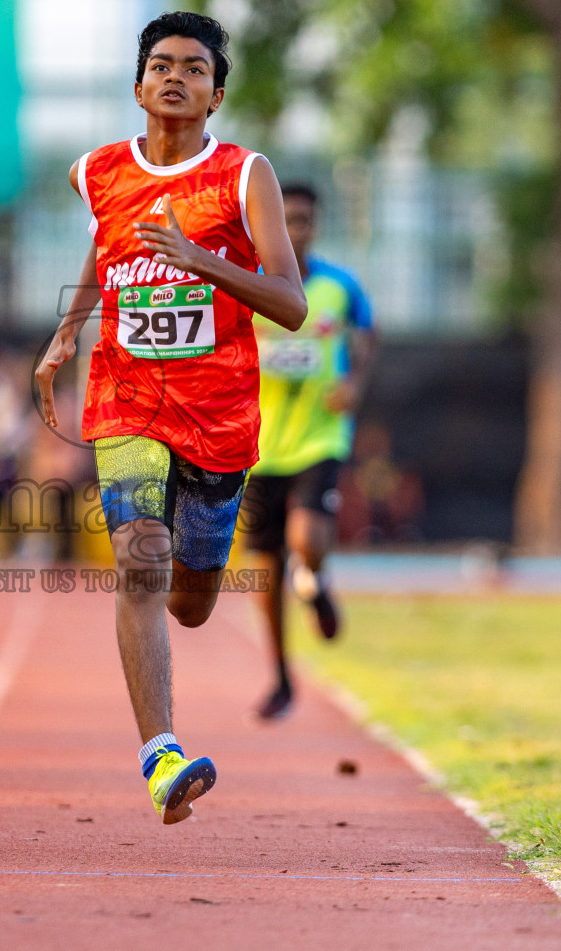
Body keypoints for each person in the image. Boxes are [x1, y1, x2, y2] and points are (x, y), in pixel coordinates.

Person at [35, 12, 306, 824]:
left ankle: (197, 565)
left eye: (194, 67)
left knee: (190, 599)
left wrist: (203, 259)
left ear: (216, 94)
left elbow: (290, 304)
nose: (175, 76)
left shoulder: (244, 175)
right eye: (161, 64)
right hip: (126, 400)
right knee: (139, 557)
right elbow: (104, 248)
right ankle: (161, 756)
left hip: (219, 414)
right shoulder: (98, 172)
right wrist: (66, 331)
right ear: (138, 84)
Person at [242, 181, 375, 721]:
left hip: (319, 437)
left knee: (307, 536)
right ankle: (279, 677)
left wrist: (355, 384)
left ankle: (315, 581)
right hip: (254, 447)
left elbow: (367, 338)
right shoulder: (246, 286)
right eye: (287, 219)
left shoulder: (341, 287)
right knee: (264, 568)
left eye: (305, 220)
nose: (296, 230)